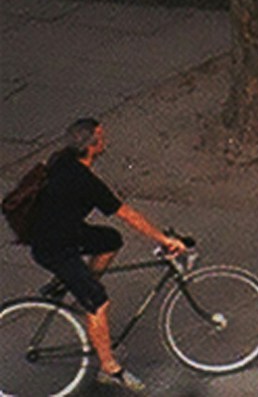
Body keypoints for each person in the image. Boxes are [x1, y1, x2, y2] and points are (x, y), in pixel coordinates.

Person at [22, 117, 187, 389]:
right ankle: (110, 368)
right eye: (102, 138)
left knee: (110, 239)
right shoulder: (86, 183)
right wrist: (163, 239)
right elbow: (128, 215)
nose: (105, 141)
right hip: (54, 248)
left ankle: (81, 285)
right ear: (92, 147)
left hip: (56, 232)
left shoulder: (62, 159)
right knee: (99, 303)